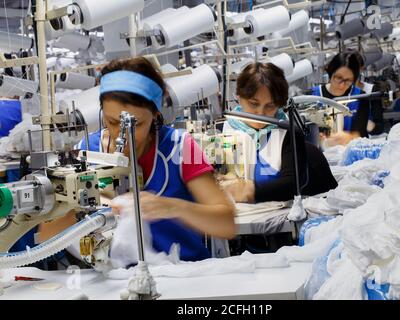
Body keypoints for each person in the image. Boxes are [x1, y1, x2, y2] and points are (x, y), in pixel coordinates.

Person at [39, 57, 235, 262]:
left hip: (181, 274)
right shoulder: (86, 152)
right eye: (113, 121)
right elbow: (47, 236)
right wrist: (79, 210)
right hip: (114, 279)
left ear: (156, 113)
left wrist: (173, 207)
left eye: (137, 124)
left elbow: (226, 225)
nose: (123, 134)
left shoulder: (181, 147)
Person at [221, 62, 337, 203]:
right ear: (239, 97)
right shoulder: (226, 129)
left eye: (270, 106)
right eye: (253, 103)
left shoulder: (288, 133)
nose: (261, 113)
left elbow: (291, 184)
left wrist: (248, 190)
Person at [309, 51, 372, 145]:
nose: (342, 85)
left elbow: (361, 133)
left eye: (348, 80)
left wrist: (350, 137)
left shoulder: (360, 97)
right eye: (338, 78)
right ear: (330, 73)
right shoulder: (312, 95)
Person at [350, 50, 385, 136]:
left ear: (361, 68)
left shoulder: (371, 90)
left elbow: (380, 126)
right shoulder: (337, 94)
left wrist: (372, 126)